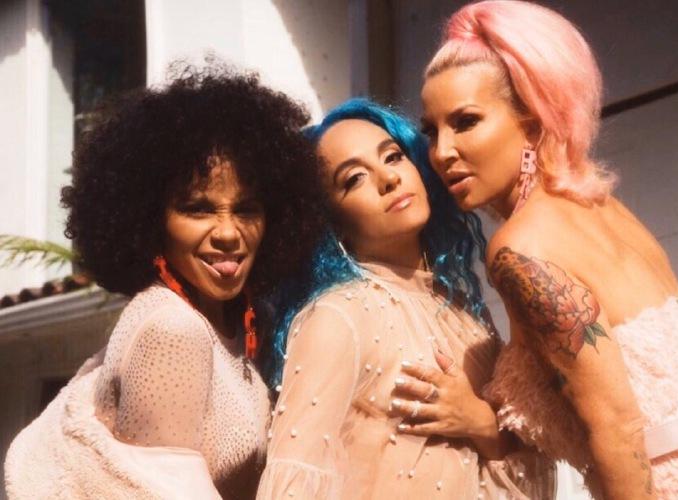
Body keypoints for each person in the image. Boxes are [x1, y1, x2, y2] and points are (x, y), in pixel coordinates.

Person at [418, 1, 678, 499]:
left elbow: (619, 429)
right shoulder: (600, 205)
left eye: (465, 121)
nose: (442, 151)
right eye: (431, 130)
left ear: (532, 121)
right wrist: (480, 419)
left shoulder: (519, 251)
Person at [4, 65, 326, 500]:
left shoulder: (244, 321)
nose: (228, 232)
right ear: (151, 220)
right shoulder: (172, 331)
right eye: (198, 209)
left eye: (246, 209)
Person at [256, 98, 555, 500]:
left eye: (393, 156)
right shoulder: (338, 316)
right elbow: (293, 484)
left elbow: (534, 477)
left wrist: (481, 423)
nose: (388, 179)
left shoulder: (466, 314)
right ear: (330, 224)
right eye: (354, 179)